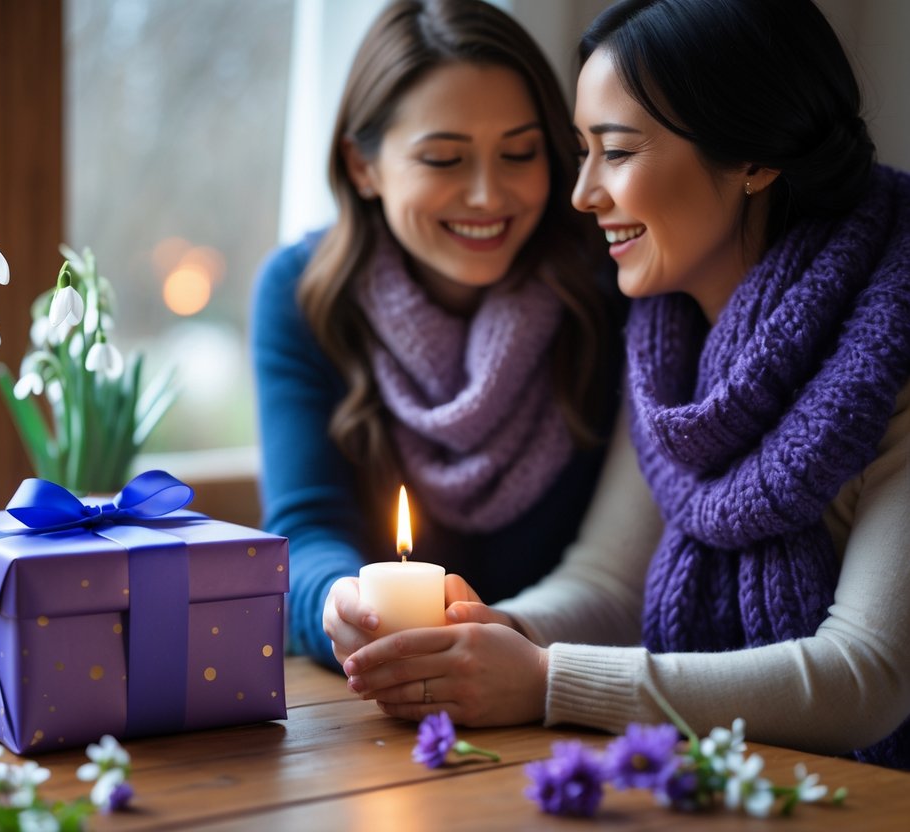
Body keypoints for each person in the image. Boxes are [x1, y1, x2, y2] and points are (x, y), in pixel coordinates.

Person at [341, 0, 910, 769]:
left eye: (614, 151)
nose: (581, 193)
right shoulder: (668, 341)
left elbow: (865, 678)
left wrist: (548, 682)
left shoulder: (888, 333)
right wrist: (485, 637)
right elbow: (609, 583)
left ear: (752, 157)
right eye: (578, 151)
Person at [251, 0, 622, 670]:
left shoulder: (607, 291)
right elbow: (304, 528)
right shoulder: (301, 295)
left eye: (519, 152)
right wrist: (335, 606)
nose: (487, 195)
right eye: (444, 159)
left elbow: (617, 570)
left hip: (562, 681)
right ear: (362, 167)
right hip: (373, 707)